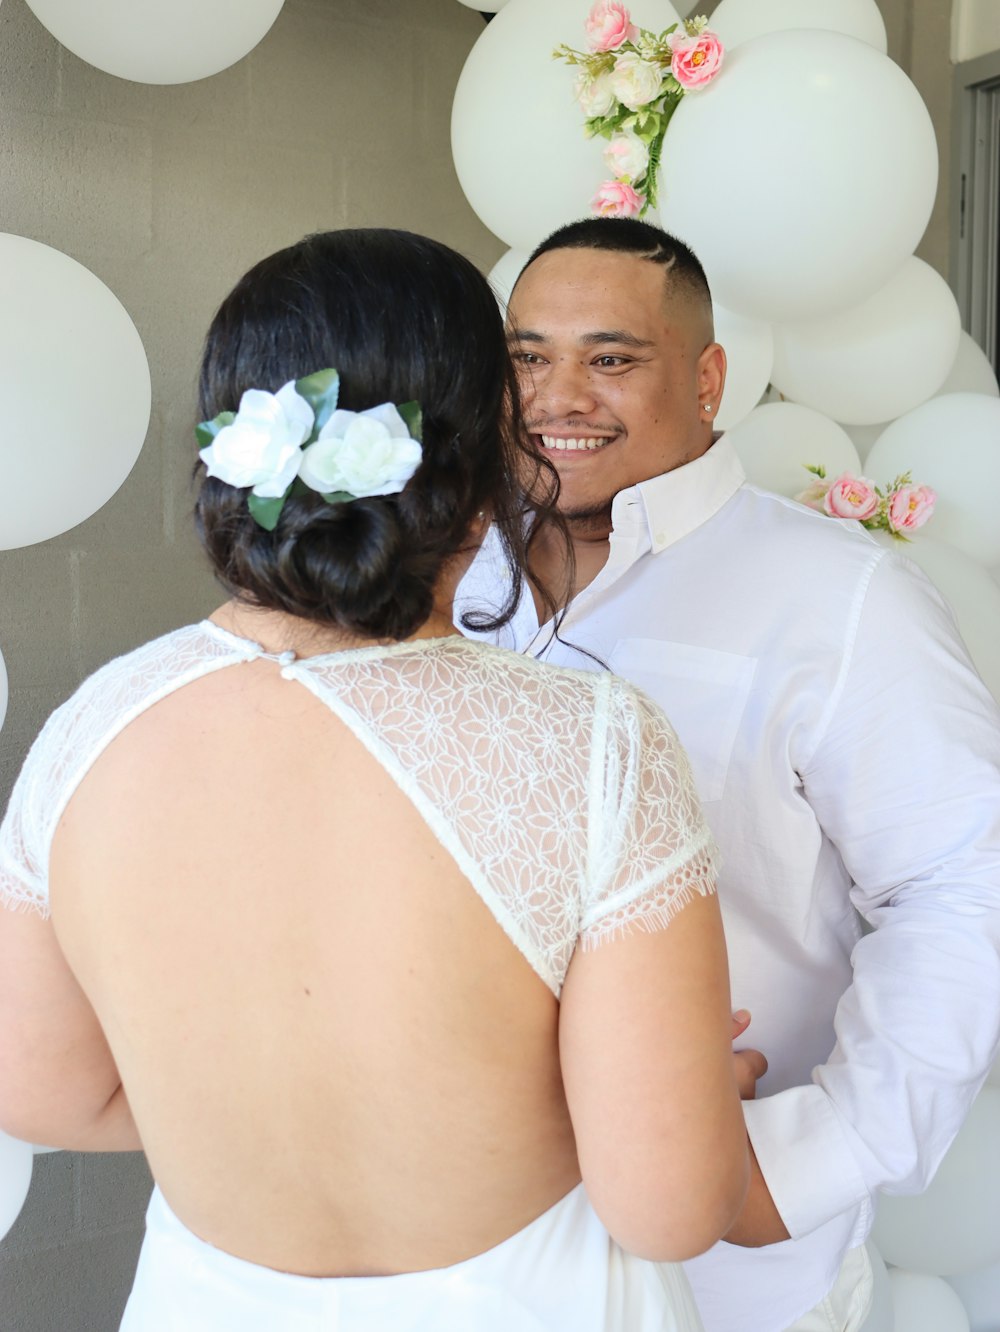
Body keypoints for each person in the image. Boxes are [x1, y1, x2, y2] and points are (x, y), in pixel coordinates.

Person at [0, 228, 750, 1330]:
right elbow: (668, 1209)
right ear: (490, 450)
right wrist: (673, 1106)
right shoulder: (593, 744)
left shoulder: (90, 727)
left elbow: (43, 1089)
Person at [455, 216, 1000, 1332]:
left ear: (707, 379)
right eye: (525, 357)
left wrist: (814, 1160)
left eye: (610, 358)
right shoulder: (440, 587)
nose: (558, 395)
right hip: (471, 1244)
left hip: (728, 1271)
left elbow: (960, 891)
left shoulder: (843, 599)